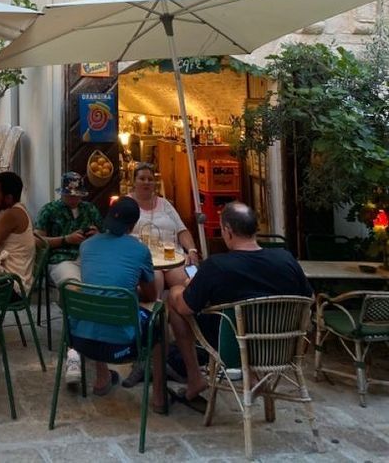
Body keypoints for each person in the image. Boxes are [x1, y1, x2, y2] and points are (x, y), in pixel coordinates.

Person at [167, 201, 312, 408]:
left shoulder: (216, 265)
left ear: (227, 231)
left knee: (175, 299)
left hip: (234, 348)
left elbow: (184, 308)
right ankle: (255, 377)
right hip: (282, 349)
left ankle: (194, 378)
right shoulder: (286, 259)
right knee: (253, 312)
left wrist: (181, 289)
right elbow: (308, 299)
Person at [74, 196, 165, 404]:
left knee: (97, 303)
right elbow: (151, 295)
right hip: (124, 345)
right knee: (158, 323)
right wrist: (129, 296)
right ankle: (160, 396)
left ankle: (101, 376)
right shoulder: (140, 250)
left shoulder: (86, 247)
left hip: (81, 340)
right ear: (132, 226)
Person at [35, 172, 102, 383]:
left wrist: (96, 235)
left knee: (100, 287)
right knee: (74, 289)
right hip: (61, 258)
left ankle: (91, 337)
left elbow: (103, 233)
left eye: (77, 195)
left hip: (88, 257)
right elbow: (38, 240)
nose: (74, 199)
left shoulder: (89, 209)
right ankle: (74, 350)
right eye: (70, 195)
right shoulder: (50, 210)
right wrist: (66, 239)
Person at [128, 161, 199, 292]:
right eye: (142, 178)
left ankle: (178, 308)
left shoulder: (165, 204)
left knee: (191, 282)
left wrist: (192, 251)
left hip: (173, 257)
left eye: (150, 179)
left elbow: (182, 230)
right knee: (154, 283)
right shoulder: (127, 203)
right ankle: (156, 311)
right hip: (144, 260)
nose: (146, 182)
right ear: (134, 181)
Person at [0, 171, 35, 295]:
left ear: (8, 198)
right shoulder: (16, 210)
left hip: (13, 286)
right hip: (14, 281)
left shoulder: (12, 214)